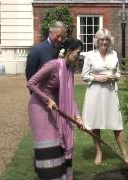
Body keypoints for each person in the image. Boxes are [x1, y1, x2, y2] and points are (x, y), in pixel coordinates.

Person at [27, 38, 84, 180]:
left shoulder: (69, 69)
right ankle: (49, 176)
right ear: (69, 51)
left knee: (59, 143)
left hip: (54, 107)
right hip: (40, 106)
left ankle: (61, 176)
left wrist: (78, 117)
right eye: (78, 53)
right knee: (48, 142)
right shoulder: (52, 65)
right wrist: (47, 99)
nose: (79, 56)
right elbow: (31, 83)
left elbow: (70, 96)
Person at [81, 28, 128, 165]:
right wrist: (97, 78)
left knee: (117, 123)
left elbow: (119, 72)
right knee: (95, 123)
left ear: (110, 41)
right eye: (102, 39)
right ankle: (99, 152)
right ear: (97, 41)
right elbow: (84, 75)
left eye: (107, 40)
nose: (104, 42)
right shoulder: (90, 55)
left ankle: (124, 153)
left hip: (110, 93)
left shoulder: (114, 54)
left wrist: (115, 77)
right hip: (95, 92)